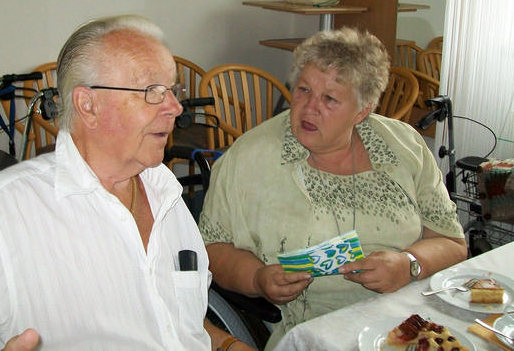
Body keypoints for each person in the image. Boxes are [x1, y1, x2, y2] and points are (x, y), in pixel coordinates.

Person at [0, 14, 253, 351]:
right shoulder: (1, 214)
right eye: (152, 91)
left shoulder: (166, 192)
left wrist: (227, 345)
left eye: (173, 90)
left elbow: (175, 322)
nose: (175, 107)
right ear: (87, 105)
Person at [198, 27, 468, 350]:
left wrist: (408, 264)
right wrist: (258, 278)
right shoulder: (248, 158)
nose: (310, 108)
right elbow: (210, 250)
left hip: (408, 323)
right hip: (316, 333)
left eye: (329, 99)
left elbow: (452, 242)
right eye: (303, 90)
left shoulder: (405, 147)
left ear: (363, 111)